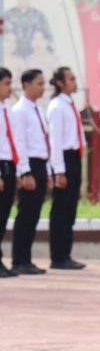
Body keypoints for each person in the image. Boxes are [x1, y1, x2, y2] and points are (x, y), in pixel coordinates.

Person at [46, 66, 87, 270]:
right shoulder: (56, 106)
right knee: (60, 210)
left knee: (69, 210)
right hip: (64, 158)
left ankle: (66, 254)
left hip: (74, 158)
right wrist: (58, 171)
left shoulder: (70, 104)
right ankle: (58, 256)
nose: (74, 82)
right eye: (70, 79)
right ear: (60, 82)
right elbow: (55, 141)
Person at [11, 69, 50, 275]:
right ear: (26, 84)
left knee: (34, 214)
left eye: (44, 83)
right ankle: (19, 260)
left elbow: (44, 141)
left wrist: (49, 170)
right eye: (39, 83)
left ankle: (26, 258)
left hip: (41, 164)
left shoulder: (38, 110)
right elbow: (20, 143)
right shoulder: (20, 110)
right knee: (25, 214)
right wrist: (25, 172)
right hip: (30, 165)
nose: (43, 87)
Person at [0, 68, 21, 278]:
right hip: (1, 166)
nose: (9, 88)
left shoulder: (7, 110)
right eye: (6, 83)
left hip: (9, 166)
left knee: (4, 216)